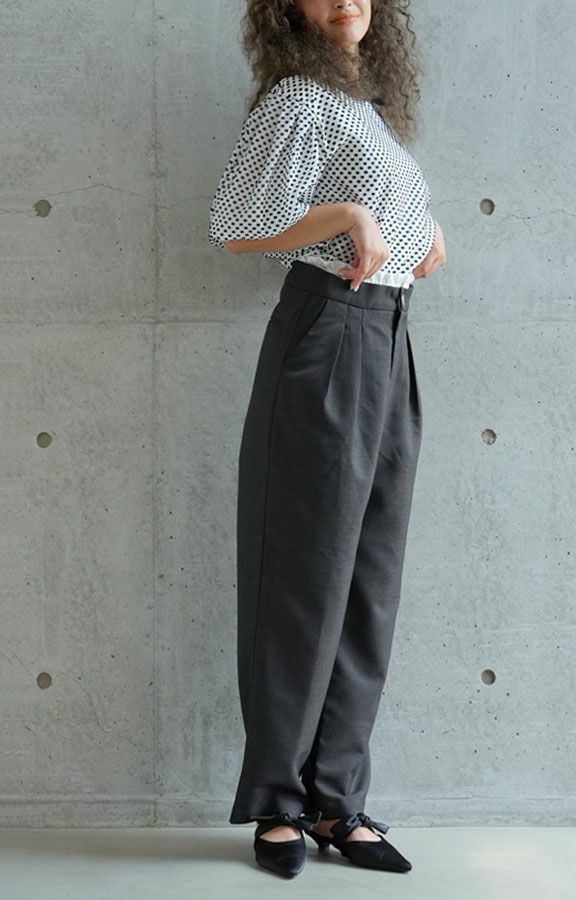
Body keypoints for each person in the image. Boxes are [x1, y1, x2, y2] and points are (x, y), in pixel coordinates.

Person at [208, 0, 446, 878]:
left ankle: (336, 802)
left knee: (368, 584)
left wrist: (418, 228)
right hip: (328, 334)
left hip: (389, 335)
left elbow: (384, 228)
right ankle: (277, 802)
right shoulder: (298, 98)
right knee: (303, 577)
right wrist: (348, 213)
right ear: (289, 11)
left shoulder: (364, 108)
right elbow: (237, 226)